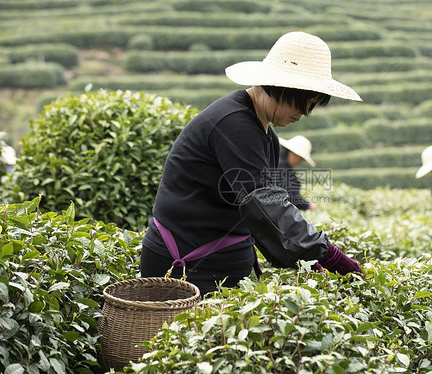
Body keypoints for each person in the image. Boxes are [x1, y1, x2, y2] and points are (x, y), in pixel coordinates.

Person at [140, 31, 363, 295]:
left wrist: (308, 257)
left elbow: (264, 211)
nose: (304, 113)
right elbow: (264, 203)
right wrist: (326, 252)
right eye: (304, 102)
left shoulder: (265, 133)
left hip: (216, 263)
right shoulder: (235, 124)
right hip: (188, 265)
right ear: (283, 87)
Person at [277, 135, 318, 211]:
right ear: (293, 153)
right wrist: (307, 205)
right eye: (301, 158)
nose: (299, 162)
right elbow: (290, 195)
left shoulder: (282, 165)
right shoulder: (281, 166)